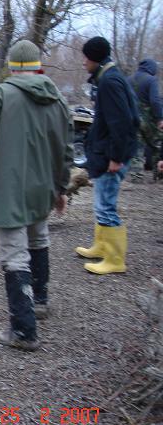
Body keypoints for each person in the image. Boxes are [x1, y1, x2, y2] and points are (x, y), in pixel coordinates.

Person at [0, 39, 72, 351]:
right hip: (43, 186)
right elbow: (65, 150)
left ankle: (24, 331)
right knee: (38, 239)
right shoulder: (57, 99)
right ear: (38, 66)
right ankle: (39, 301)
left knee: (15, 253)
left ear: (12, 66)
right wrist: (61, 187)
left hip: (11, 187)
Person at [75, 36, 139, 274]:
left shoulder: (110, 82)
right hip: (107, 153)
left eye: (85, 57)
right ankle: (101, 246)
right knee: (101, 204)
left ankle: (114, 259)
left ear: (94, 58)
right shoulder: (109, 78)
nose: (83, 62)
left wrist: (116, 157)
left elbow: (121, 123)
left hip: (111, 156)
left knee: (106, 207)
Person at [128, 59, 163, 182]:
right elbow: (155, 100)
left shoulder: (129, 79)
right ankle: (159, 174)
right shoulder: (151, 80)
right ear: (151, 68)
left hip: (132, 118)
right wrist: (160, 118)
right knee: (157, 145)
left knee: (137, 146)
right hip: (148, 120)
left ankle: (136, 176)